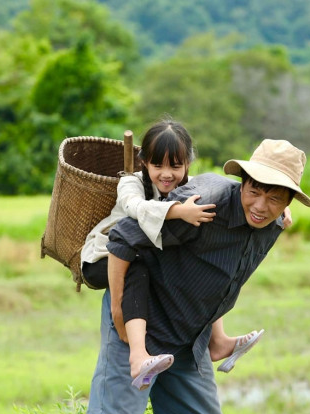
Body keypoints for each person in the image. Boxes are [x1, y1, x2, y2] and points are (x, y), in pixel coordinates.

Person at [78, 138, 310, 414]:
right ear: (242, 182)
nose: (261, 206)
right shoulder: (205, 205)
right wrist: (118, 311)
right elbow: (122, 239)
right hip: (139, 321)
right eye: (255, 192)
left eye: (275, 198)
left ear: (289, 200)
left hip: (190, 335)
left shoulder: (273, 222)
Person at [80, 119, 267, 390]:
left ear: (188, 163)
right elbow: (134, 208)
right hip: (105, 256)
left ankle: (219, 341)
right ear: (144, 162)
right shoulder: (131, 183)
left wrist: (272, 201)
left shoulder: (191, 186)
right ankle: (137, 356)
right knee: (138, 266)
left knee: (200, 260)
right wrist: (177, 211)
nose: (166, 174)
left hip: (144, 253)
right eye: (158, 166)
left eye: (175, 166)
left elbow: (228, 190)